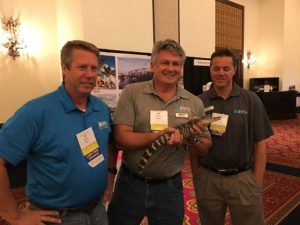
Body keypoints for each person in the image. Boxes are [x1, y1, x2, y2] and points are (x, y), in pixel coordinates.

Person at [0, 40, 118, 225]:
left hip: (97, 212)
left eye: (94, 68)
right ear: (64, 68)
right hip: (56, 218)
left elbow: (111, 142)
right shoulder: (36, 112)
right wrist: (14, 216)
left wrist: (110, 176)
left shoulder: (101, 108)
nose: (89, 74)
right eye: (82, 67)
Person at [107, 39, 212, 225]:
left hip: (169, 187)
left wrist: (193, 138)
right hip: (130, 183)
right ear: (152, 65)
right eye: (165, 62)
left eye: (176, 64)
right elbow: (121, 138)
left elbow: (204, 148)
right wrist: (156, 137)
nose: (170, 68)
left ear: (181, 68)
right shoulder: (132, 92)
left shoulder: (194, 102)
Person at [190, 48, 274, 225]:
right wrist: (197, 176)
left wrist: (256, 182)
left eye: (226, 68)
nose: (221, 73)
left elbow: (260, 144)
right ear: (210, 70)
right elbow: (193, 144)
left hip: (242, 179)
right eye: (216, 68)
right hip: (208, 179)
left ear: (235, 70)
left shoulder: (251, 100)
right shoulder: (199, 102)